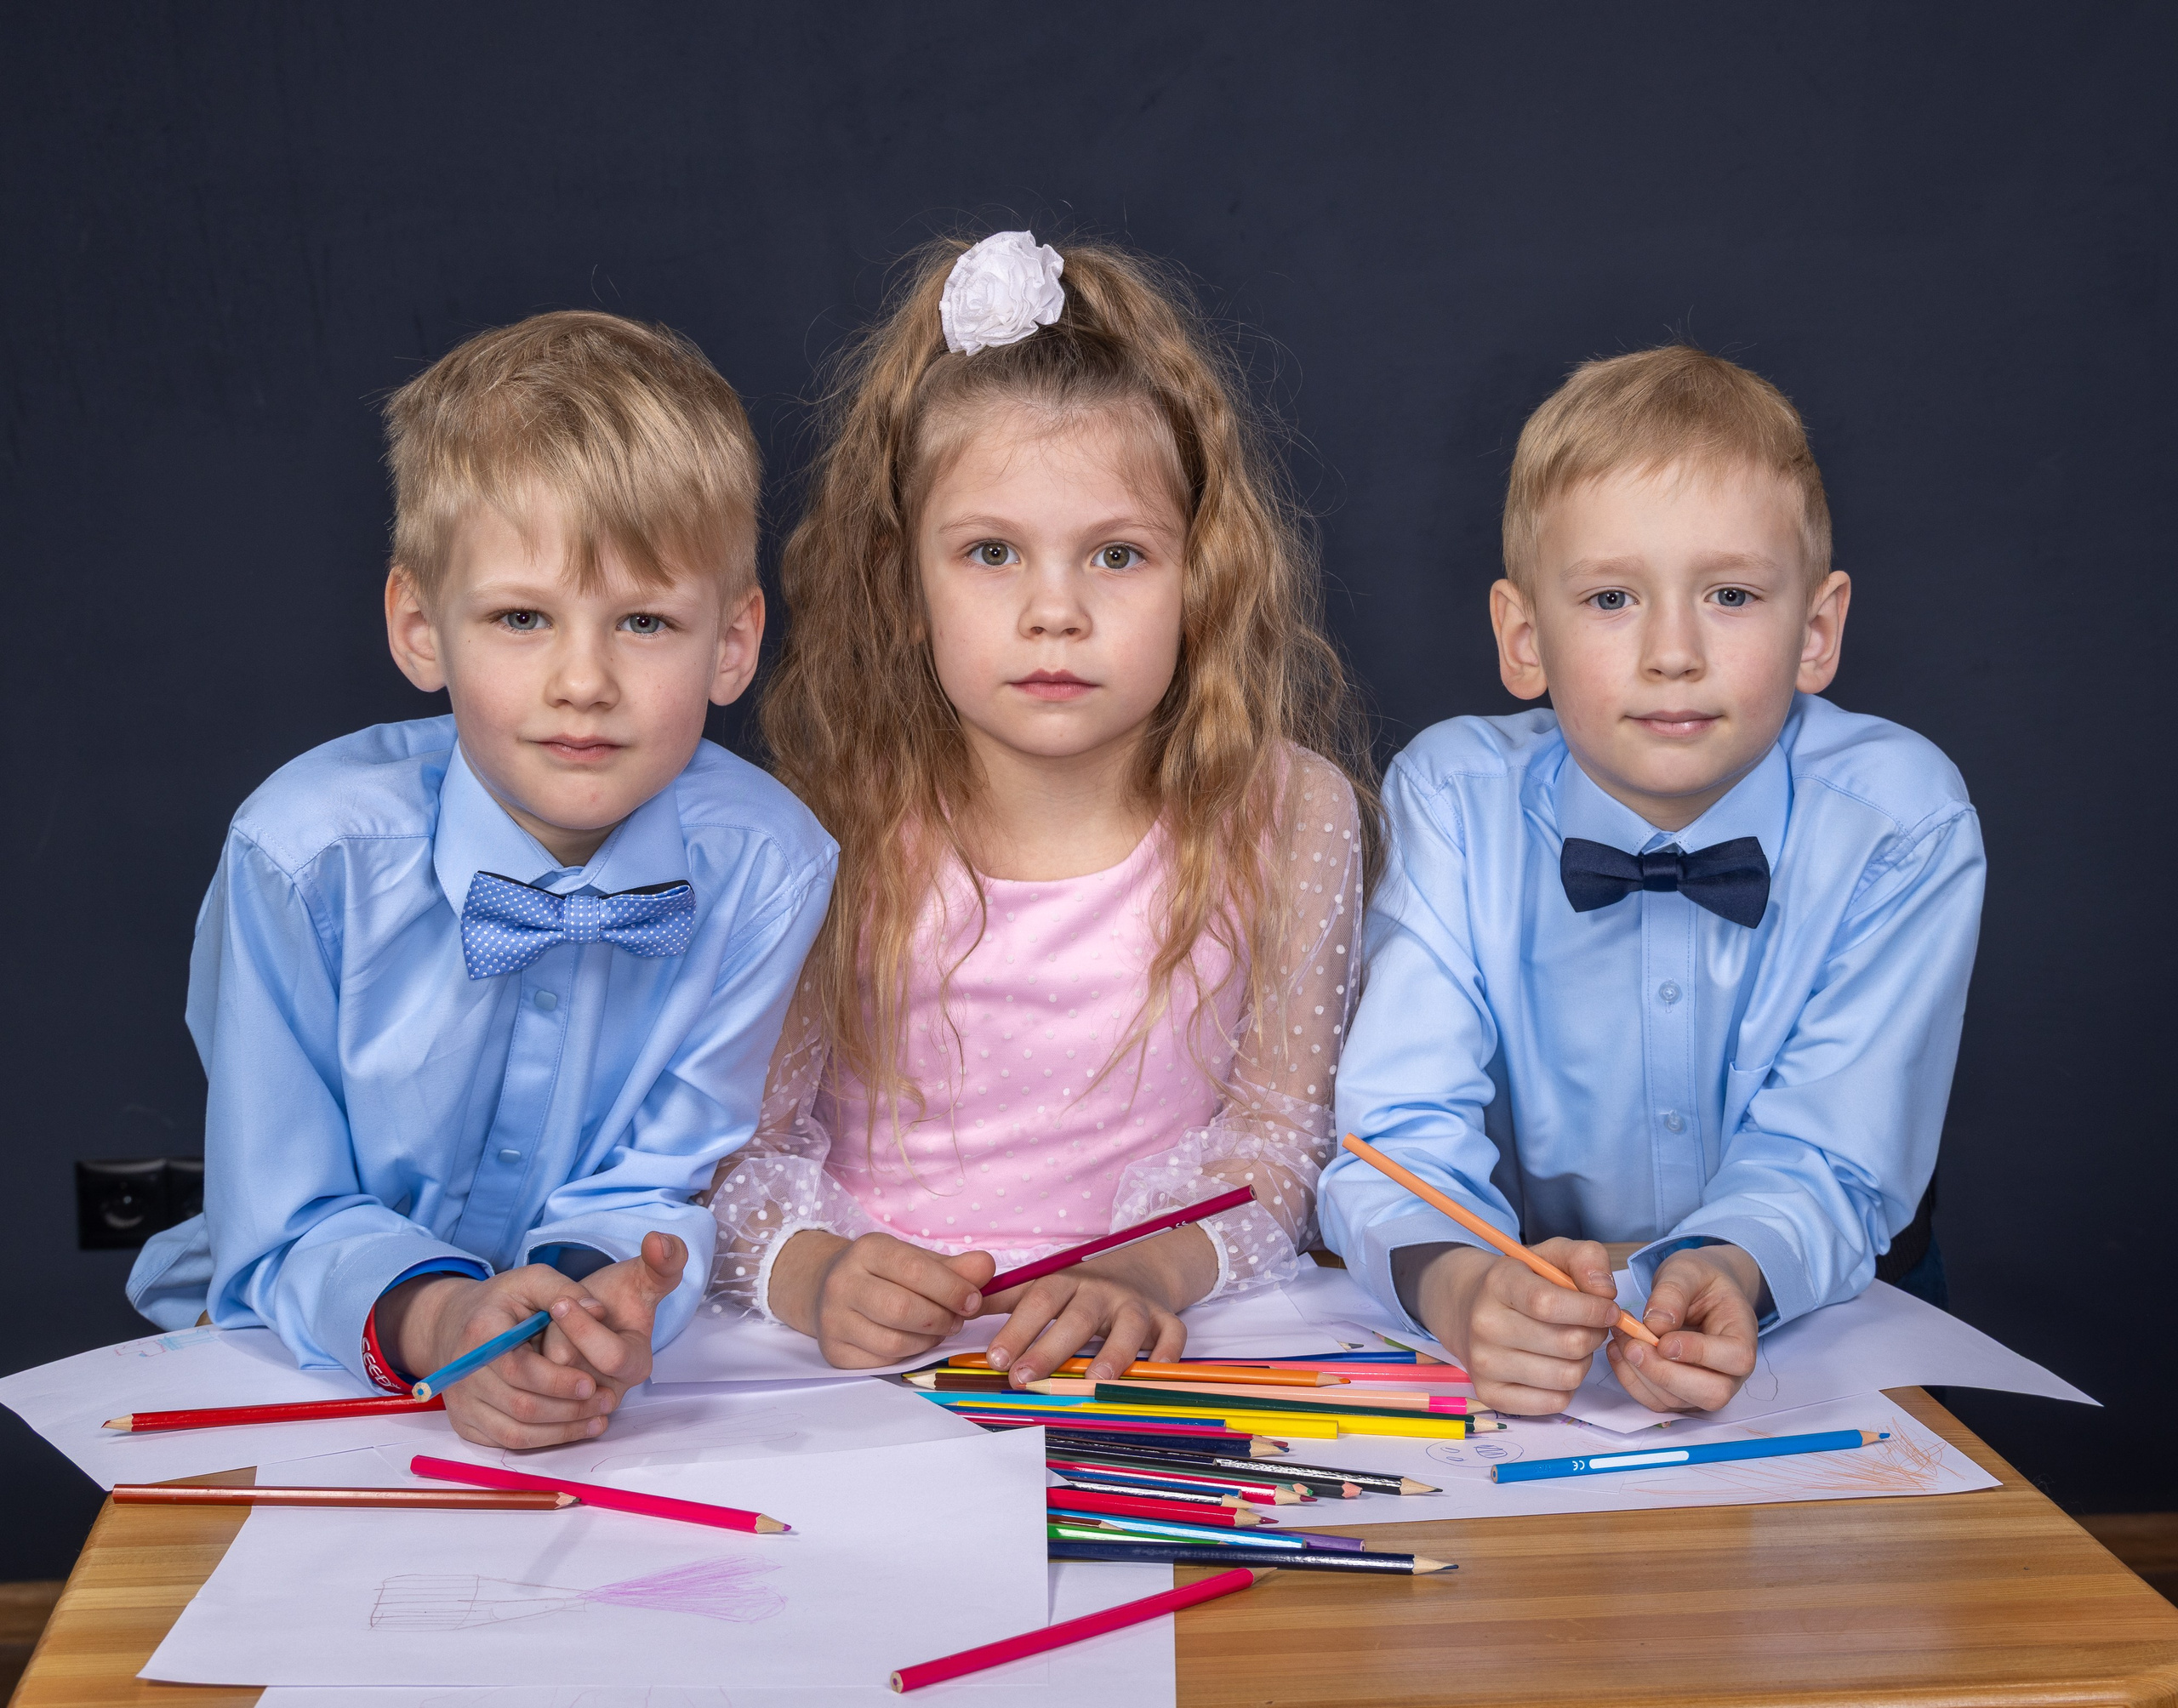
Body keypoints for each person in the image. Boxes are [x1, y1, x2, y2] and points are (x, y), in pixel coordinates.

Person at [126, 312, 836, 1447]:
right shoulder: (301, 857)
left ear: (733, 644)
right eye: (521, 618)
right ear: (420, 627)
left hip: (587, 1379)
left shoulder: (767, 867)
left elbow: (665, 1174)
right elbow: (280, 1211)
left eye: (646, 621)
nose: (583, 681)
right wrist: (445, 1316)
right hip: (302, 1353)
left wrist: (581, 1297)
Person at [704, 231, 1378, 1386]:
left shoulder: (1288, 813)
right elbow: (738, 1158)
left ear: (1200, 575)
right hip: (867, 1373)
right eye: (991, 554)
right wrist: (819, 1276)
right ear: (903, 583)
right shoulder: (818, 826)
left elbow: (1281, 1144)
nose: (1054, 611)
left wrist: (1145, 1275)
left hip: (1167, 1351)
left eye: (1116, 556)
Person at [1319, 344, 1984, 1417]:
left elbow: (1834, 1151)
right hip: (1533, 1308)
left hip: (1813, 1306)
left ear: (1815, 630)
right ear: (1523, 637)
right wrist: (1459, 1288)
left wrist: (1730, 1264)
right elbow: (1395, 1135)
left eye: (1728, 593)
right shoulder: (1450, 798)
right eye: (1612, 597)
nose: (1672, 651)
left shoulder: (1901, 821)